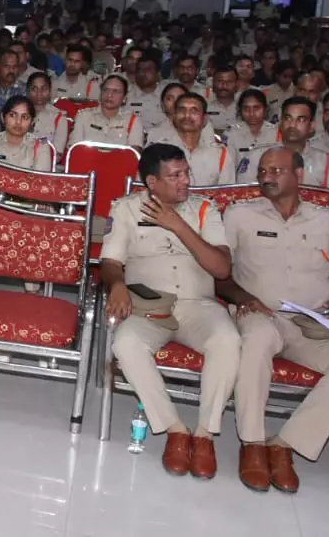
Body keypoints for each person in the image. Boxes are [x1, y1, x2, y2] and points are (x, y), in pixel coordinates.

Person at [218, 147, 329, 493]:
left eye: (276, 170)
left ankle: (285, 444)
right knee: (257, 339)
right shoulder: (239, 215)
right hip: (258, 314)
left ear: (299, 175)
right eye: (263, 171)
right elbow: (220, 273)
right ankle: (253, 443)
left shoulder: (328, 220)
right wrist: (245, 300)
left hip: (310, 323)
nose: (267, 177)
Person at [103, 143, 239, 479]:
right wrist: (117, 284)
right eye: (174, 176)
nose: (184, 181)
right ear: (152, 182)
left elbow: (221, 269)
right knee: (126, 344)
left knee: (227, 340)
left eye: (186, 173)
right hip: (148, 306)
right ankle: (175, 429)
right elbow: (110, 262)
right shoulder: (125, 209)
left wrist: (178, 225)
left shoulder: (205, 210)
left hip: (199, 306)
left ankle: (205, 434)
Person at [246, 98, 329, 191]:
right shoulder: (257, 157)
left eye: (301, 119)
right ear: (280, 123)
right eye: (288, 118)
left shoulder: (324, 162)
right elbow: (244, 197)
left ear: (311, 126)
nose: (292, 125)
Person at [152, 93, 233, 185]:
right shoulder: (156, 151)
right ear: (174, 116)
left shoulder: (220, 154)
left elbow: (227, 193)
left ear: (205, 119)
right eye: (182, 110)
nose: (187, 115)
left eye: (194, 111)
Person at [0, 95, 55, 171]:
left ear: (32, 122)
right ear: (3, 118)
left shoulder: (40, 146)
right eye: (12, 115)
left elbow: (40, 181)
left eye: (25, 117)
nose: (18, 122)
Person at [70, 74, 143, 148]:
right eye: (106, 90)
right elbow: (74, 149)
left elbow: (133, 154)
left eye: (116, 91)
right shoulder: (83, 116)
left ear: (124, 98)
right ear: (100, 92)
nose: (109, 95)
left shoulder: (133, 121)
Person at [227, 89, 279, 182]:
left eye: (256, 108)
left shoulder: (277, 133)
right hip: (241, 186)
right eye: (246, 109)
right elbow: (228, 168)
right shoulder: (231, 133)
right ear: (240, 110)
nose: (251, 114)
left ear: (265, 109)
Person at [27, 72, 69, 161]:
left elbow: (57, 154)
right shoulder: (19, 113)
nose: (39, 93)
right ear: (27, 91)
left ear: (50, 91)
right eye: (34, 89)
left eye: (44, 89)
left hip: (45, 166)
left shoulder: (59, 117)